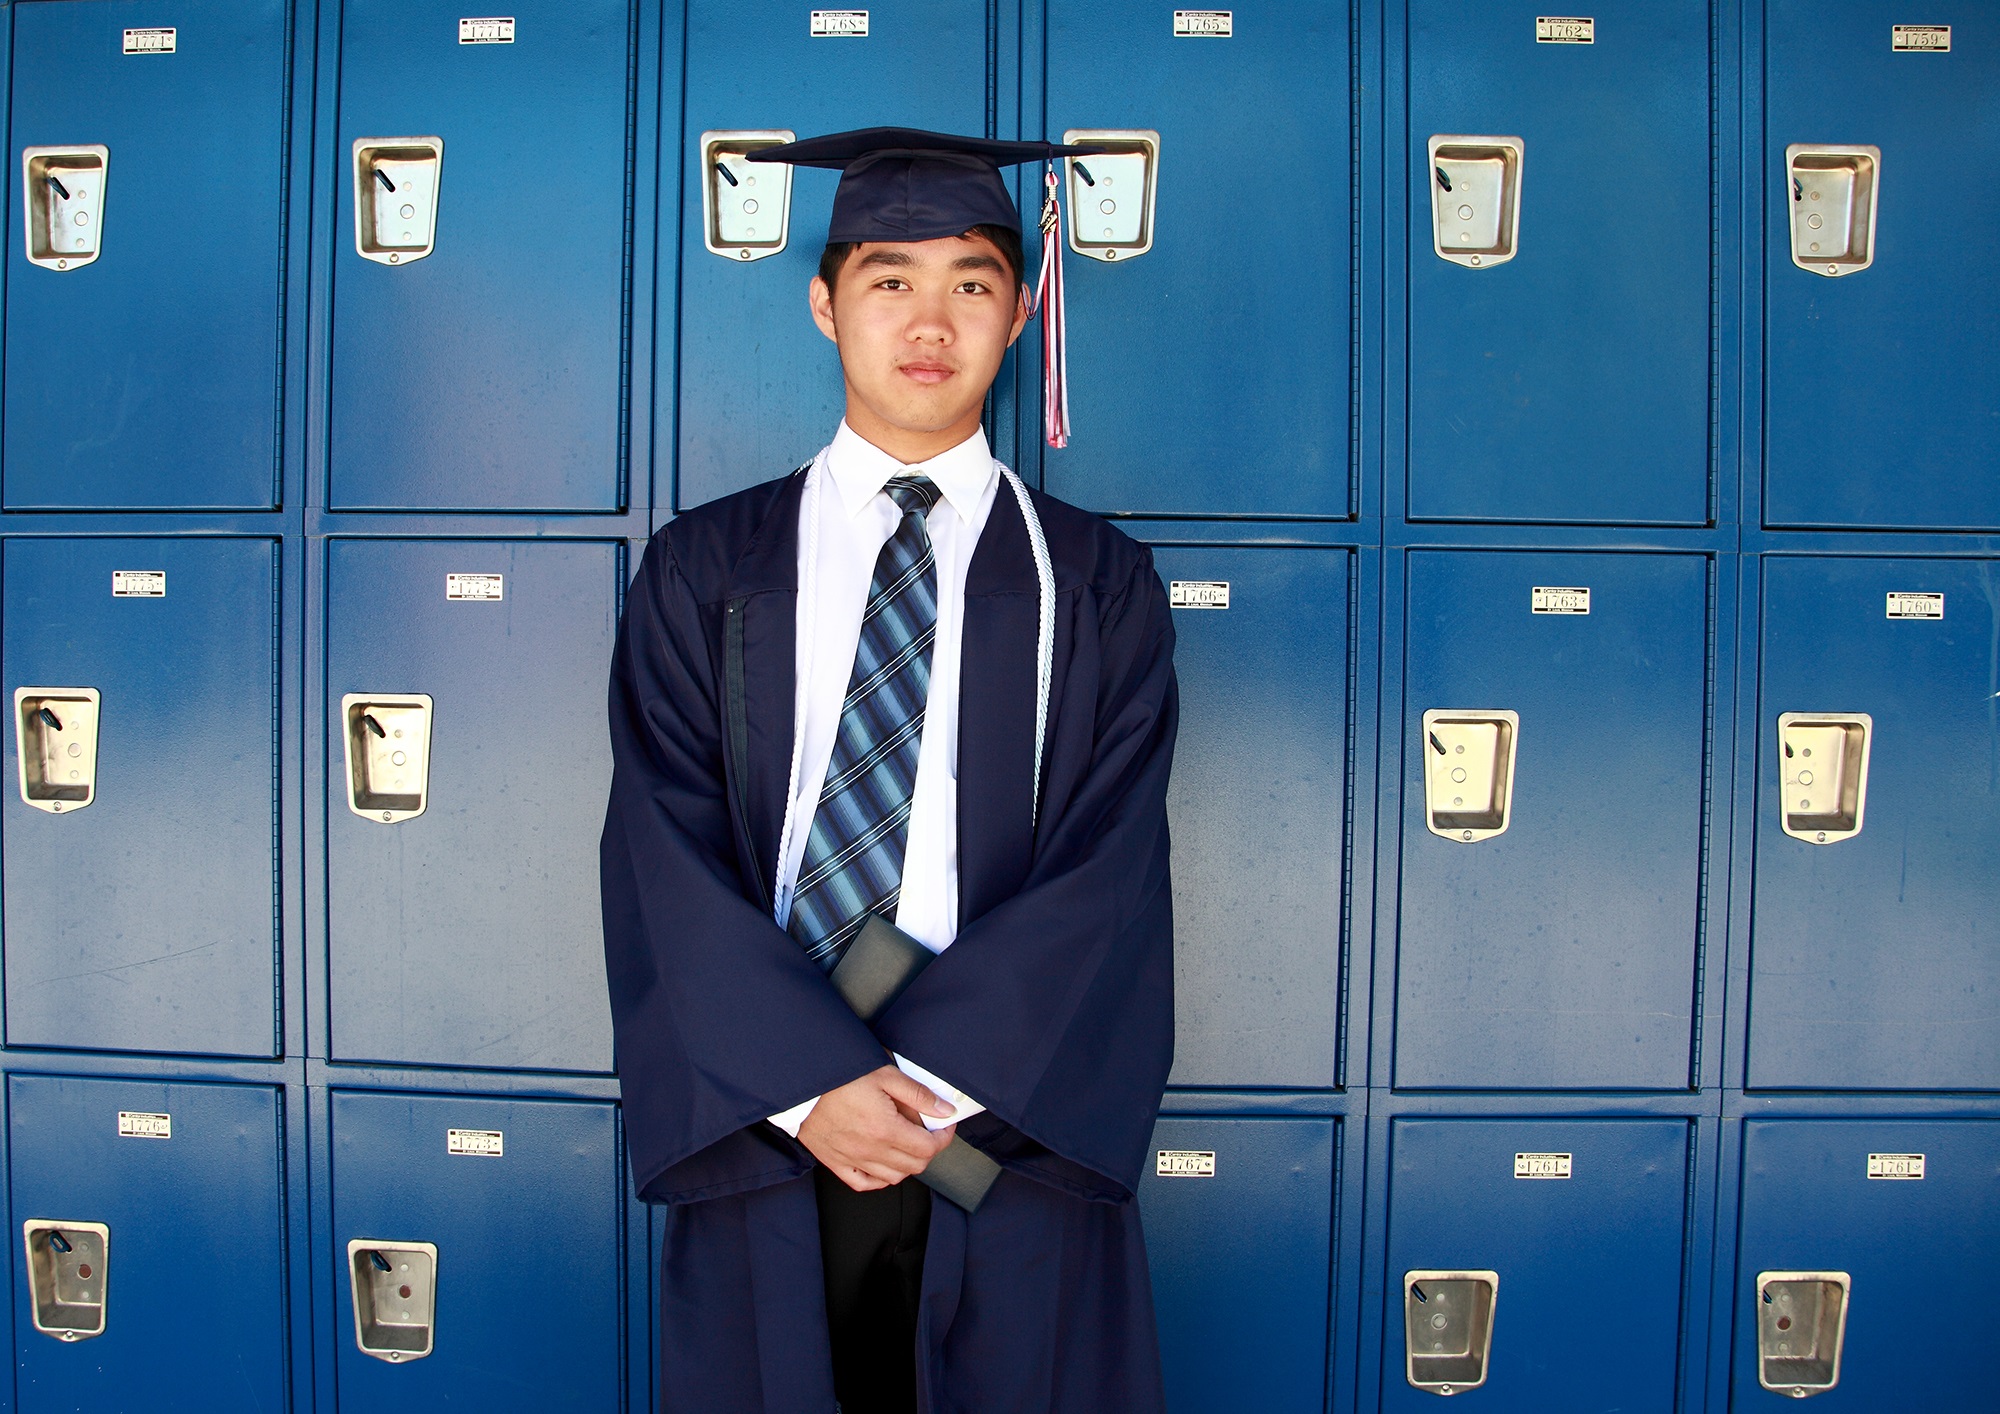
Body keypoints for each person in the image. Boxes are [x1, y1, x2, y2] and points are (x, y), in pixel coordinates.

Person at [600, 128, 1178, 1414]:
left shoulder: (1095, 582)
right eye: (887, 281)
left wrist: (933, 1090)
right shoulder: (707, 567)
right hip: (769, 1112)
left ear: (1020, 312)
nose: (930, 321)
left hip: (997, 1121)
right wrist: (811, 1085)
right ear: (824, 305)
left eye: (970, 284)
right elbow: (661, 840)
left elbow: (1111, 865)